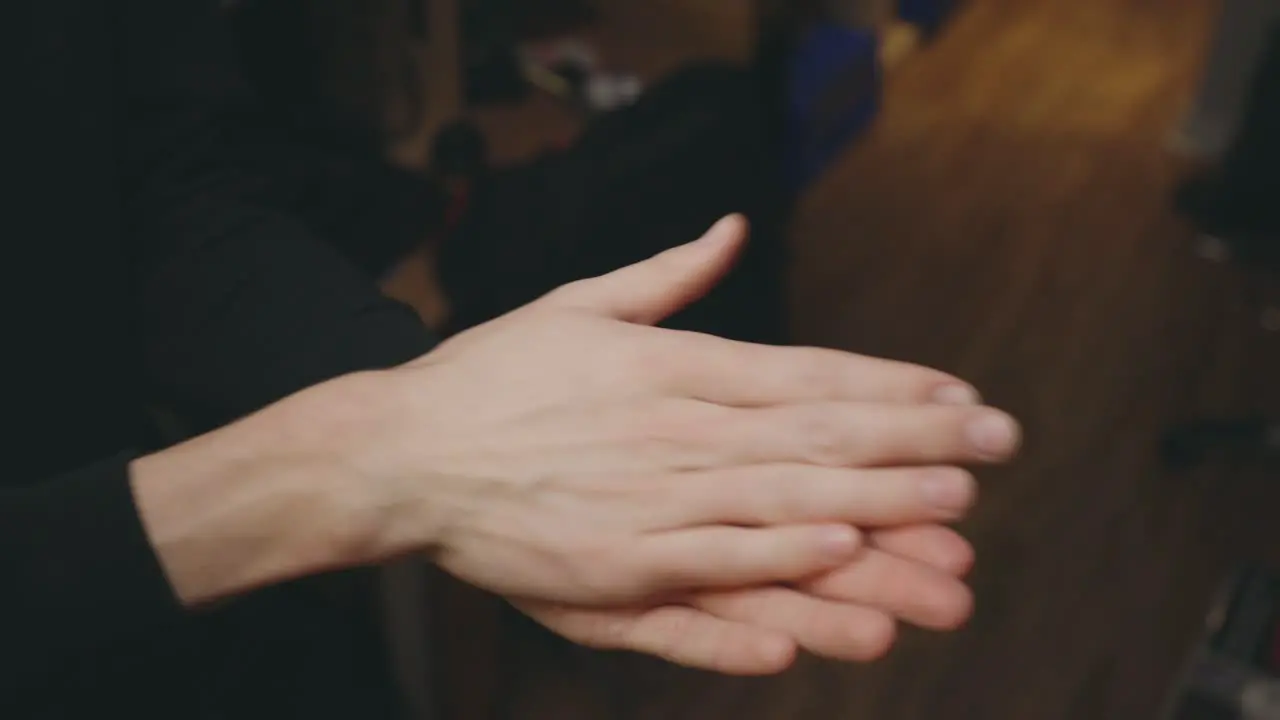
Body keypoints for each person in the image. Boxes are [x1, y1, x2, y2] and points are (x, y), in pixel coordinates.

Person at [2, 1, 1022, 718]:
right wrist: (346, 467)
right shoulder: (326, 481)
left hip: (165, 624)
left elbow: (156, 197)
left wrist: (440, 403)